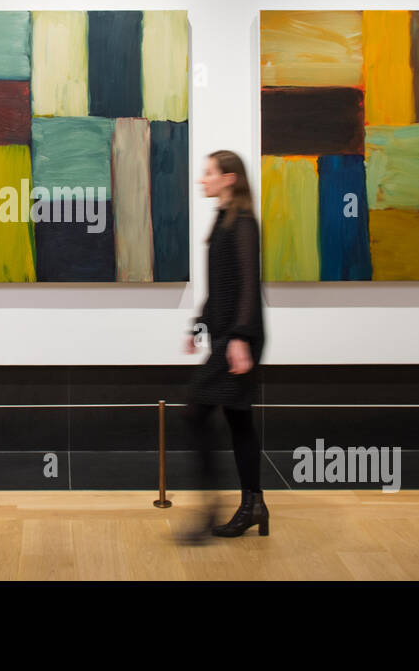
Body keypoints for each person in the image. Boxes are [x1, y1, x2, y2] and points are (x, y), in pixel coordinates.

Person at [176, 150, 268, 544]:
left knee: (195, 413)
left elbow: (249, 284)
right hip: (227, 336)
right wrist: (198, 323)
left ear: (229, 178)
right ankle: (254, 504)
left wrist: (241, 340)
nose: (202, 180)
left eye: (209, 173)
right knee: (238, 420)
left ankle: (211, 506)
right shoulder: (224, 220)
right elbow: (221, 287)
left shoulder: (243, 224)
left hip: (238, 339)